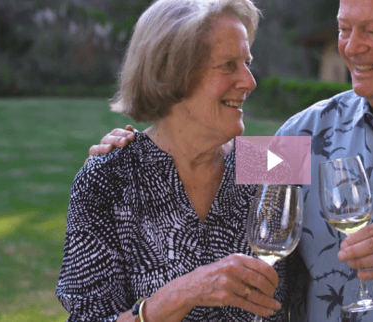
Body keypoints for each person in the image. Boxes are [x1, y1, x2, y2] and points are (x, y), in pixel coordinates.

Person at [92, 0, 373, 321]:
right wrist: (138, 147)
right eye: (343, 28)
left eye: (372, 30)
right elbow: (209, 160)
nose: (351, 47)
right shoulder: (302, 134)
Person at [56, 0, 294, 321]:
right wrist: (185, 292)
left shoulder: (270, 162)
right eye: (228, 65)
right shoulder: (109, 179)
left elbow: (349, 193)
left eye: (247, 63)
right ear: (172, 72)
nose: (249, 81)